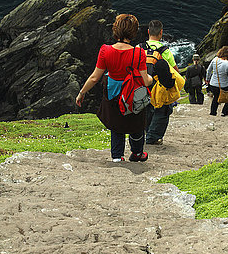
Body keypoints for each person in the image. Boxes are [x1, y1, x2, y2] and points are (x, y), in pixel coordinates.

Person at [75, 14, 153, 162]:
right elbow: (145, 80)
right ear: (134, 31)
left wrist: (81, 93)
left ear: (115, 30)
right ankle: (137, 153)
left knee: (116, 124)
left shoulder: (105, 50)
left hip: (113, 94)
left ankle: (117, 157)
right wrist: (151, 78)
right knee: (136, 124)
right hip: (133, 94)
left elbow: (94, 78)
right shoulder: (139, 53)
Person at [141, 19, 179, 145]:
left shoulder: (139, 48)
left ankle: (146, 132)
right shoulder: (165, 51)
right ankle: (153, 137)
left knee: (145, 108)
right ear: (161, 33)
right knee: (162, 110)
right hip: (158, 86)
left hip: (141, 84)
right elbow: (174, 70)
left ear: (148, 32)